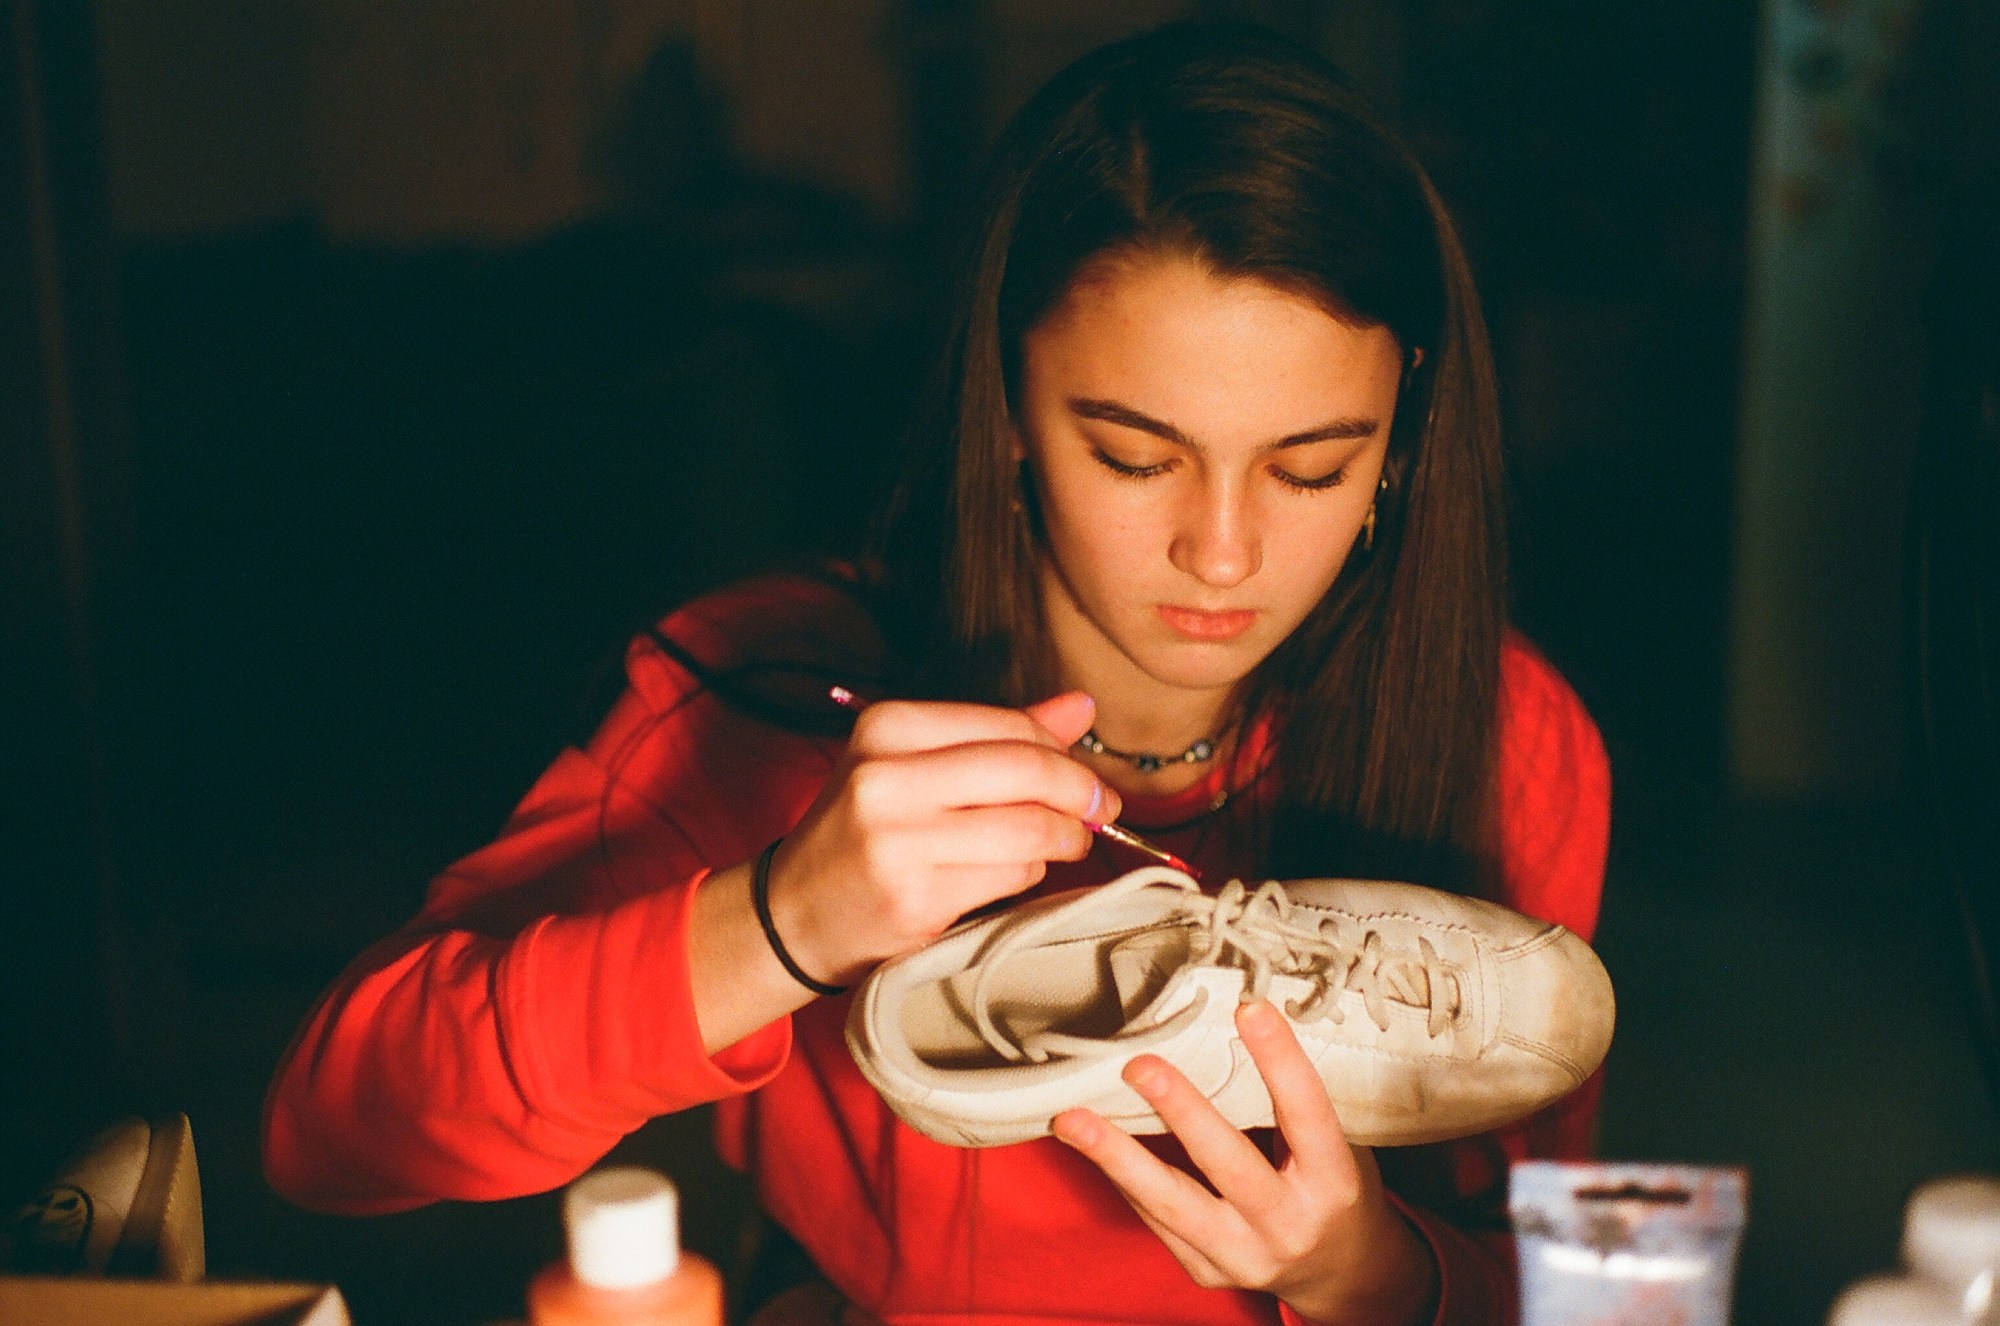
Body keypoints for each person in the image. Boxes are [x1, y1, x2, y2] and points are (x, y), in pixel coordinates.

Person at [263, 22, 1610, 1326]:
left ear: (1405, 430)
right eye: (1135, 455)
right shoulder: (774, 694)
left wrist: (1379, 1276)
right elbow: (335, 1132)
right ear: (1010, 400)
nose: (1220, 550)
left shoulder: (1505, 735)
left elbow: (1584, 1284)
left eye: (1311, 465)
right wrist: (781, 921)